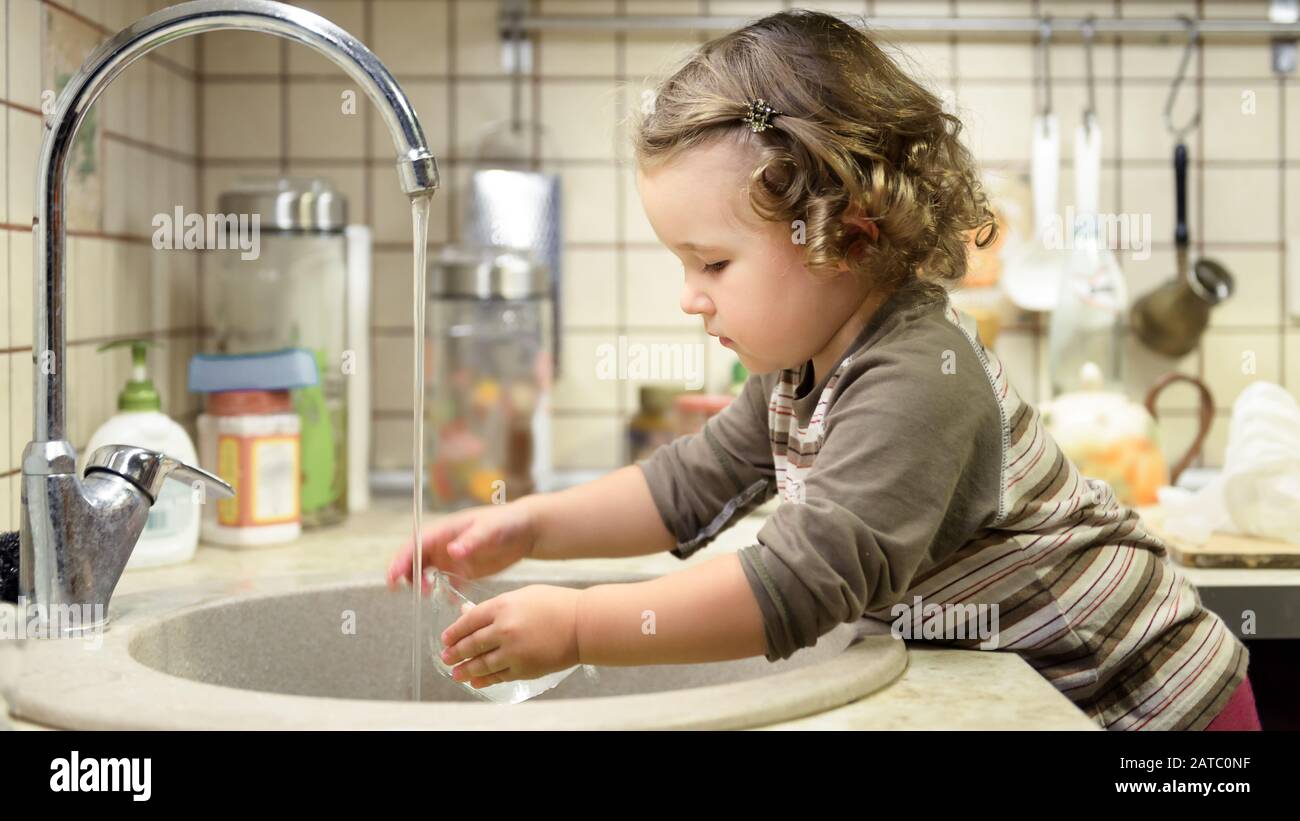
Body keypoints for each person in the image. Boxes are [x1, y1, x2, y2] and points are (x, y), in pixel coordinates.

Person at [388, 9, 1255, 731]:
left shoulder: (922, 377)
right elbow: (687, 486)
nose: (691, 298)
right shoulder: (799, 370)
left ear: (847, 235)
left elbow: (799, 584)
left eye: (713, 264)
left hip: (1156, 707)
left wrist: (580, 624)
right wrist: (529, 528)